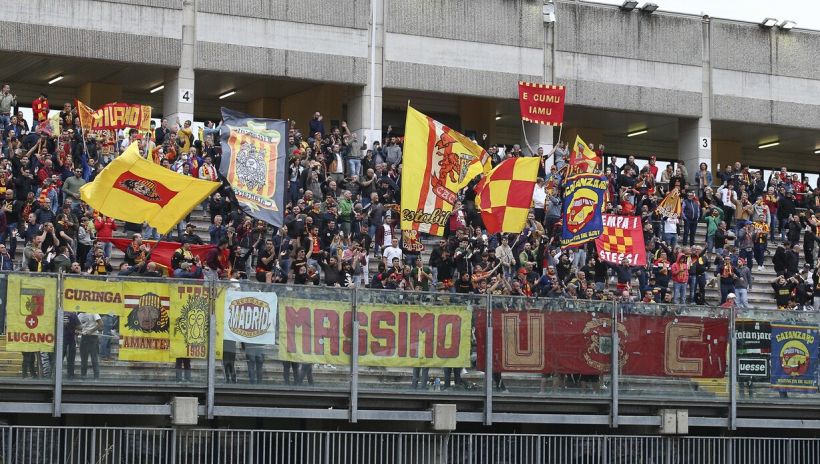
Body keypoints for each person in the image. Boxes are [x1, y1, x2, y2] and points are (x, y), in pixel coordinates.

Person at [77, 311, 103, 379]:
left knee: (94, 359)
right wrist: (77, 330)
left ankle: (96, 378)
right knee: (83, 359)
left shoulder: (93, 312)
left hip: (93, 337)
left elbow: (101, 323)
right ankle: (83, 376)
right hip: (84, 337)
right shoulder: (79, 315)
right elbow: (78, 326)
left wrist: (91, 331)